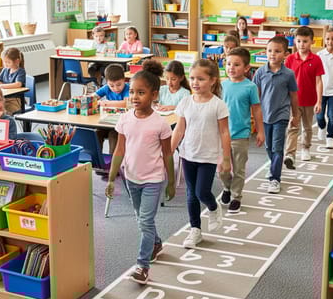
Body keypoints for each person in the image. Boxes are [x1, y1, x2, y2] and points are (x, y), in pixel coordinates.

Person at [106, 69, 176, 285]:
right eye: (132, 92)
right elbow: (119, 149)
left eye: (141, 92)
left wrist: (171, 181)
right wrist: (110, 178)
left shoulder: (160, 124)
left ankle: (142, 266)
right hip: (131, 178)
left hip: (153, 179)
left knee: (145, 220)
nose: (135, 97)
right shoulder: (125, 119)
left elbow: (167, 153)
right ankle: (156, 243)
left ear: (154, 95)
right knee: (141, 218)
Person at [171, 59, 231, 249]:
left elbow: (224, 132)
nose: (195, 83)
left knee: (201, 191)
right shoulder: (186, 101)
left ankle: (213, 207)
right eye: (192, 78)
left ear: (213, 80)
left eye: (201, 79)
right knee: (191, 194)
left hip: (208, 156)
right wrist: (168, 152)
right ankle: (195, 230)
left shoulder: (218, 105)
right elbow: (179, 130)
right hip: (188, 154)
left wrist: (226, 158)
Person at [253, 36, 299, 194]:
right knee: (268, 146)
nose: (273, 54)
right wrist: (253, 116)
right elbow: (255, 95)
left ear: (285, 54)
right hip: (264, 116)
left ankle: (275, 178)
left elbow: (293, 95)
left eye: (277, 51)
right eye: (270, 51)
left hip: (281, 115)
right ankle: (274, 165)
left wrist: (296, 115)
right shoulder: (260, 72)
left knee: (278, 147)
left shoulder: (288, 74)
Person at [220, 48, 264, 213]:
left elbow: (257, 109)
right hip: (222, 135)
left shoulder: (250, 87)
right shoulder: (222, 85)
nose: (231, 67)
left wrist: (260, 131)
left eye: (236, 64)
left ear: (246, 68)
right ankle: (226, 187)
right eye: (228, 63)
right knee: (223, 169)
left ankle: (236, 197)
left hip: (241, 135)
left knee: (239, 169)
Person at [284, 26, 324, 166]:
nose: (302, 44)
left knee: (307, 127)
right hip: (293, 101)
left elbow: (319, 81)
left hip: (309, 100)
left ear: (312, 42)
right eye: (299, 41)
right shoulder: (290, 59)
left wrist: (319, 101)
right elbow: (285, 81)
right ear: (295, 41)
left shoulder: (316, 59)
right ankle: (290, 154)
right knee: (293, 126)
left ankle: (306, 147)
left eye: (305, 41)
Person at [93, 64, 130, 155]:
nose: (115, 88)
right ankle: (98, 161)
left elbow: (125, 103)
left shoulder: (128, 88)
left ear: (124, 80)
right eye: (111, 86)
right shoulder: (106, 88)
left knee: (114, 135)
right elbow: (94, 97)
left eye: (118, 85)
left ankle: (113, 163)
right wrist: (89, 99)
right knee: (96, 133)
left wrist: (105, 103)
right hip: (107, 121)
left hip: (120, 124)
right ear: (107, 82)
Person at [0, 47, 27, 115]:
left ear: (17, 61)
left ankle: (6, 124)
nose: (6, 64)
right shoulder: (5, 70)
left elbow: (18, 84)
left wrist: (2, 86)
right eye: (4, 62)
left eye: (8, 62)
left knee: (2, 111)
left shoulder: (21, 71)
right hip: (5, 98)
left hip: (15, 100)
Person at [87, 26, 113, 91]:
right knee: (91, 68)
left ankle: (105, 84)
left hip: (104, 63)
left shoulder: (106, 44)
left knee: (103, 70)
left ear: (104, 36)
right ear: (93, 36)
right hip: (95, 62)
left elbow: (105, 53)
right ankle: (95, 83)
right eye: (96, 36)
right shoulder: (92, 44)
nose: (99, 38)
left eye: (101, 36)